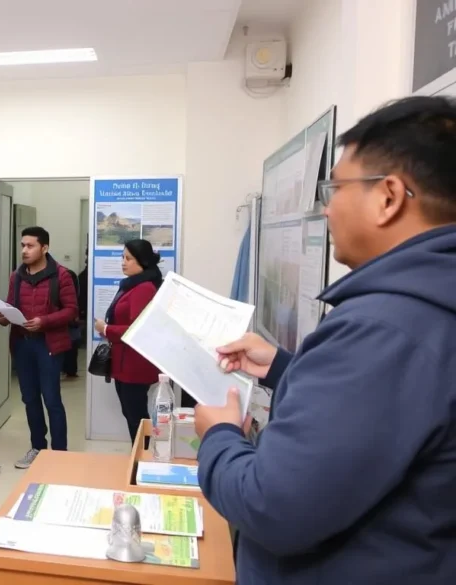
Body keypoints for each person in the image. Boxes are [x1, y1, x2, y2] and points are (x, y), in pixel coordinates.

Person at [195, 96, 456, 584]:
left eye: (335, 188)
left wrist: (220, 435)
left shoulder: (383, 328)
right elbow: (390, 414)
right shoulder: (426, 308)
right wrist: (282, 367)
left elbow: (270, 506)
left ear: (389, 196)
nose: (326, 208)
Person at [0, 226, 77, 469]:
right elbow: (11, 305)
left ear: (45, 248)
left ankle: (60, 453)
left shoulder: (61, 275)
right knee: (29, 398)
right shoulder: (17, 276)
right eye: (22, 245)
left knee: (51, 399)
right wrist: (4, 316)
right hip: (22, 344)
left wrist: (45, 321)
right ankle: (38, 448)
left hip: (49, 344)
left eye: (30, 246)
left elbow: (72, 310)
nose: (24, 250)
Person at [93, 239, 162, 444]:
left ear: (142, 261)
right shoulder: (132, 284)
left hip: (135, 365)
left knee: (137, 418)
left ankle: (144, 460)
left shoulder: (144, 288)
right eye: (123, 257)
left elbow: (138, 329)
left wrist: (106, 329)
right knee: (131, 415)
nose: (123, 262)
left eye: (128, 258)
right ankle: (140, 456)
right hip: (124, 362)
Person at [62, 266, 81, 378]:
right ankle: (70, 370)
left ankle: (68, 369)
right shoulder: (71, 275)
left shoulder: (66, 275)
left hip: (69, 318)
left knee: (71, 344)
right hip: (71, 317)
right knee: (72, 345)